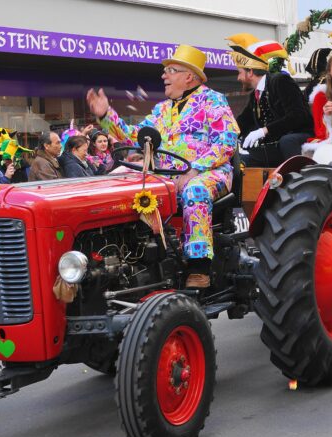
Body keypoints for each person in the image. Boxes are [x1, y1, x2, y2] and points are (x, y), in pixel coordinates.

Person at [89, 44, 238, 288]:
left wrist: (195, 169)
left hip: (210, 173)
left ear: (188, 76)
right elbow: (134, 136)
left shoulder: (213, 101)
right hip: (169, 176)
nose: (163, 76)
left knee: (195, 190)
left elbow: (226, 143)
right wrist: (106, 114)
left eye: (170, 70)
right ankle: (140, 262)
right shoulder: (161, 109)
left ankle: (199, 269)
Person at [227, 33, 313, 167]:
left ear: (250, 72)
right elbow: (242, 122)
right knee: (241, 159)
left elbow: (298, 116)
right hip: (274, 144)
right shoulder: (255, 95)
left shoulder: (280, 81)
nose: (238, 78)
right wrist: (226, 134)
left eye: (240, 72)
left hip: (296, 139)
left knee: (285, 142)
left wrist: (264, 130)